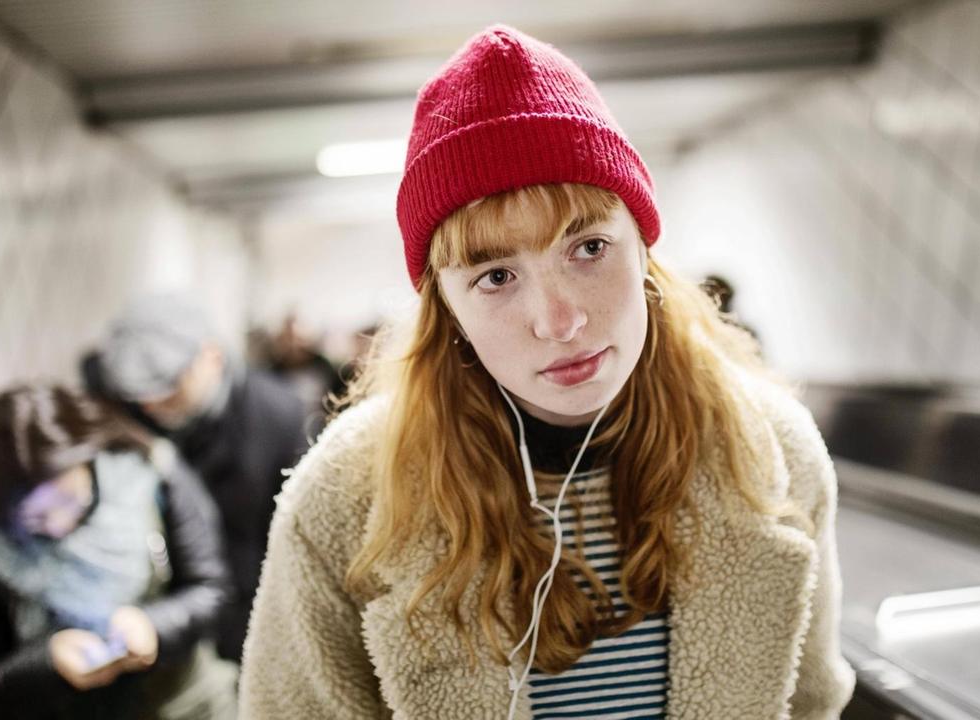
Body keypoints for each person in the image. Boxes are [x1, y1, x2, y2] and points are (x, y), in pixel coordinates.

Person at [239, 25, 854, 720]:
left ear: (645, 249)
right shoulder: (347, 497)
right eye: (496, 275)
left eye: (588, 247)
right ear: (446, 306)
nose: (558, 320)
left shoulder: (772, 451)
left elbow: (810, 703)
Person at [0, 384, 238, 720]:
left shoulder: (149, 472)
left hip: (190, 703)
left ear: (89, 460)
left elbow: (212, 590)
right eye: (31, 518)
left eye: (67, 500)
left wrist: (153, 625)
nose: (57, 526)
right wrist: (47, 662)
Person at [81, 294, 307, 662]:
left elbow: (288, 541)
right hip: (152, 619)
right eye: (139, 394)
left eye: (168, 386)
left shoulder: (275, 415)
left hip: (244, 613)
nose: (151, 405)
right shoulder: (117, 405)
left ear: (211, 358)